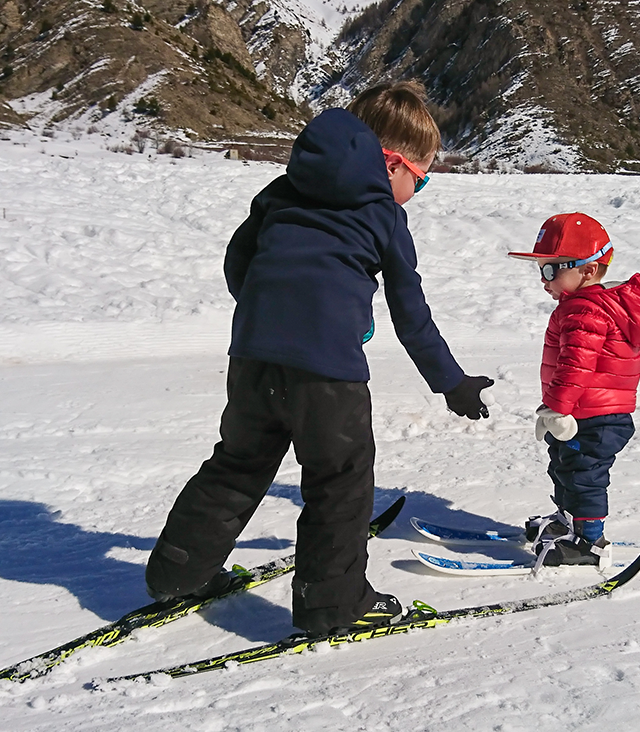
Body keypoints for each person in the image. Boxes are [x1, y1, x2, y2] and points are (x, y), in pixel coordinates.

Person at [145, 82, 494, 635]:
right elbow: (411, 313)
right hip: (329, 372)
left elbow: (240, 261)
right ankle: (332, 603)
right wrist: (452, 382)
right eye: (419, 181)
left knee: (237, 463)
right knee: (340, 481)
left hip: (254, 356)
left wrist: (273, 314)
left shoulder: (282, 189)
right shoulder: (383, 215)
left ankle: (178, 573)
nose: (415, 193)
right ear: (392, 164)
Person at [508, 213, 640, 571]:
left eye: (551, 271)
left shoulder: (585, 310)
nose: (544, 281)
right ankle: (568, 523)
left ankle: (589, 542)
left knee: (583, 476)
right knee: (564, 468)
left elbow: (577, 364)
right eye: (541, 271)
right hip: (584, 411)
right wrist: (554, 407)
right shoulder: (586, 306)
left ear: (588, 271)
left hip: (593, 415)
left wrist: (558, 408)